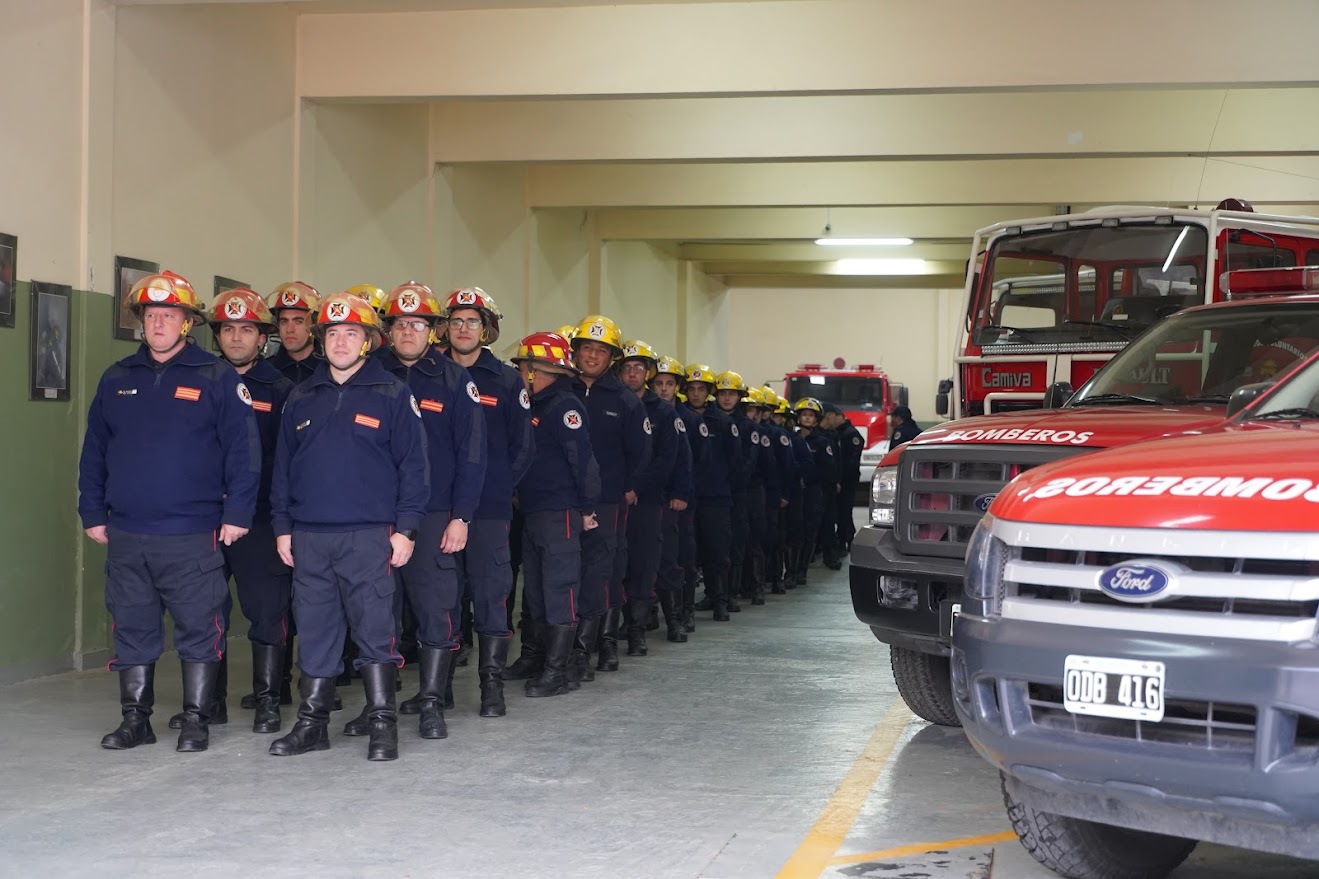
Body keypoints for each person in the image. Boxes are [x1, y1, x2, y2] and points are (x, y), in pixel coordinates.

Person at [79, 270, 259, 753]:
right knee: (133, 626)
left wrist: (238, 513)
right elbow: (94, 450)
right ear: (141, 322)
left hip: (192, 532)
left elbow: (244, 452)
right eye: (151, 315)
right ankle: (135, 719)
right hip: (128, 532)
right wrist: (92, 511)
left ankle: (198, 719)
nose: (158, 323)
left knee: (200, 625)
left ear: (187, 323)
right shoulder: (117, 377)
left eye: (168, 315)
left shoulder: (216, 377)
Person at [268, 292, 429, 762]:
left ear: (368, 341)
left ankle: (382, 724)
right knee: (316, 630)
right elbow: (283, 469)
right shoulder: (301, 395)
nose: (340, 341)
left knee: (375, 628)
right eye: (333, 333)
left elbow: (414, 469)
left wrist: (407, 529)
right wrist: (282, 527)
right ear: (322, 341)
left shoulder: (393, 394)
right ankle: (312, 723)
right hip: (310, 537)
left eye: (351, 333)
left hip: (369, 535)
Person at [339, 282, 486, 742]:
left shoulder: (454, 381)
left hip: (436, 515)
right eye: (400, 324)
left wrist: (462, 516)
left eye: (417, 324)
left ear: (433, 330)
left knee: (435, 607)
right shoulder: (369, 375)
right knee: (374, 612)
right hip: (376, 517)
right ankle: (376, 705)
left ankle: (431, 701)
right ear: (387, 330)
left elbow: (473, 454)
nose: (407, 332)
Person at [189, 288, 294, 736]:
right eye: (228, 329)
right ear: (217, 335)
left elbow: (290, 460)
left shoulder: (283, 390)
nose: (236, 338)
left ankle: (269, 699)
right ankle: (210, 703)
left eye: (246, 329)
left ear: (262, 337)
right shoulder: (198, 380)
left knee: (266, 610)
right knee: (203, 610)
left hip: (261, 518)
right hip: (204, 516)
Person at [442, 287, 534, 716]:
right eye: (456, 320)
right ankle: (437, 688)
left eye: (472, 321)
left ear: (487, 329)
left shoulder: (507, 379)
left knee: (491, 593)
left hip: (490, 510)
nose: (463, 328)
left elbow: (522, 447)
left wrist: (496, 486)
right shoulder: (430, 373)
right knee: (439, 594)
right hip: (437, 508)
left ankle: (491, 687)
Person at [510, 331, 600, 697]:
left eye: (522, 368)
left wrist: (587, 507)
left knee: (559, 588)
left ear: (535, 371)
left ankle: (559, 670)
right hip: (533, 510)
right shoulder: (534, 404)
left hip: (559, 510)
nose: (519, 374)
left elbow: (583, 463)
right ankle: (539, 658)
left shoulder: (565, 406)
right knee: (535, 590)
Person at [569, 315, 652, 676]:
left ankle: (597, 646)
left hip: (607, 499)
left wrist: (628, 487)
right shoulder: (562, 390)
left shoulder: (625, 401)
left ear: (611, 358)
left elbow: (641, 450)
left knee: (601, 572)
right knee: (562, 572)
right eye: (587, 348)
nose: (592, 356)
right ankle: (556, 646)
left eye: (601, 351)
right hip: (563, 498)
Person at [617, 340, 678, 656]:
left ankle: (637, 631)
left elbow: (666, 460)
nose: (631, 374)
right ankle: (611, 628)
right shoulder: (612, 402)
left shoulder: (663, 412)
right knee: (614, 565)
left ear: (648, 372)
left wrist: (636, 489)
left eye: (638, 368)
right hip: (614, 498)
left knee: (643, 565)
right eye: (626, 368)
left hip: (647, 501)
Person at [684, 364, 740, 621]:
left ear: (708, 392)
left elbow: (734, 461)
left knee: (717, 552)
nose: (696, 394)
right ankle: (687, 607)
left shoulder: (724, 422)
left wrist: (718, 482)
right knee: (687, 554)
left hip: (716, 498)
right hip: (687, 497)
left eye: (701, 389)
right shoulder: (680, 418)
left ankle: (720, 600)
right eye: (691, 389)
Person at [651, 355, 696, 641]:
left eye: (669, 384)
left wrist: (681, 492)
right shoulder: (640, 409)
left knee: (670, 559)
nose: (664, 389)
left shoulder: (680, 418)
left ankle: (676, 618)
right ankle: (641, 617)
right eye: (659, 383)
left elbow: (686, 460)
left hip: (669, 498)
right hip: (642, 496)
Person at [792, 397, 836, 585]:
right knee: (794, 532)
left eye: (811, 415)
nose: (807, 418)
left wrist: (807, 480)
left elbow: (827, 469)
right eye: (804, 415)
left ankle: (802, 570)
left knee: (809, 532)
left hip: (813, 493)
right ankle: (790, 571)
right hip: (794, 491)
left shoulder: (822, 441)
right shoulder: (791, 439)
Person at [266, 281, 322, 385]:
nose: (289, 329)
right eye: (284, 321)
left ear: (314, 326)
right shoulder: (266, 370)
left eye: (298, 321)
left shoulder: (330, 370)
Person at [831, 406, 864, 553]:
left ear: (839, 416)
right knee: (840, 511)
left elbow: (851, 460)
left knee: (844, 511)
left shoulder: (850, 434)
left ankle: (847, 539)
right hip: (841, 479)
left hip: (847, 480)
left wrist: (841, 475)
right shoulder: (838, 432)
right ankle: (843, 538)